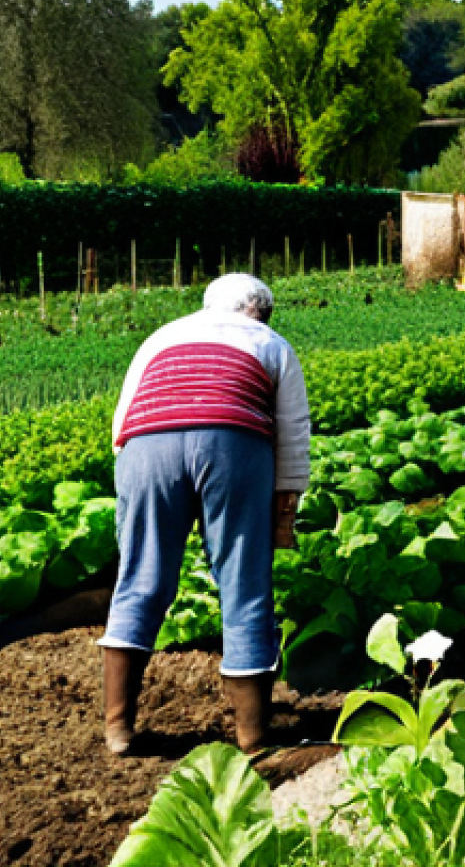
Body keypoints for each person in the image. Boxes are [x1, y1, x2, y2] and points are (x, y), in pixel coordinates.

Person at [100, 273, 311, 756]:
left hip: (147, 447)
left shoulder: (161, 337)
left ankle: (118, 730)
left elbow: (123, 417)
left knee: (141, 578)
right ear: (260, 311)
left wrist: (138, 496)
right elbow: (293, 431)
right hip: (233, 443)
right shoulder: (271, 342)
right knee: (244, 582)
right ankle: (253, 737)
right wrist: (285, 505)